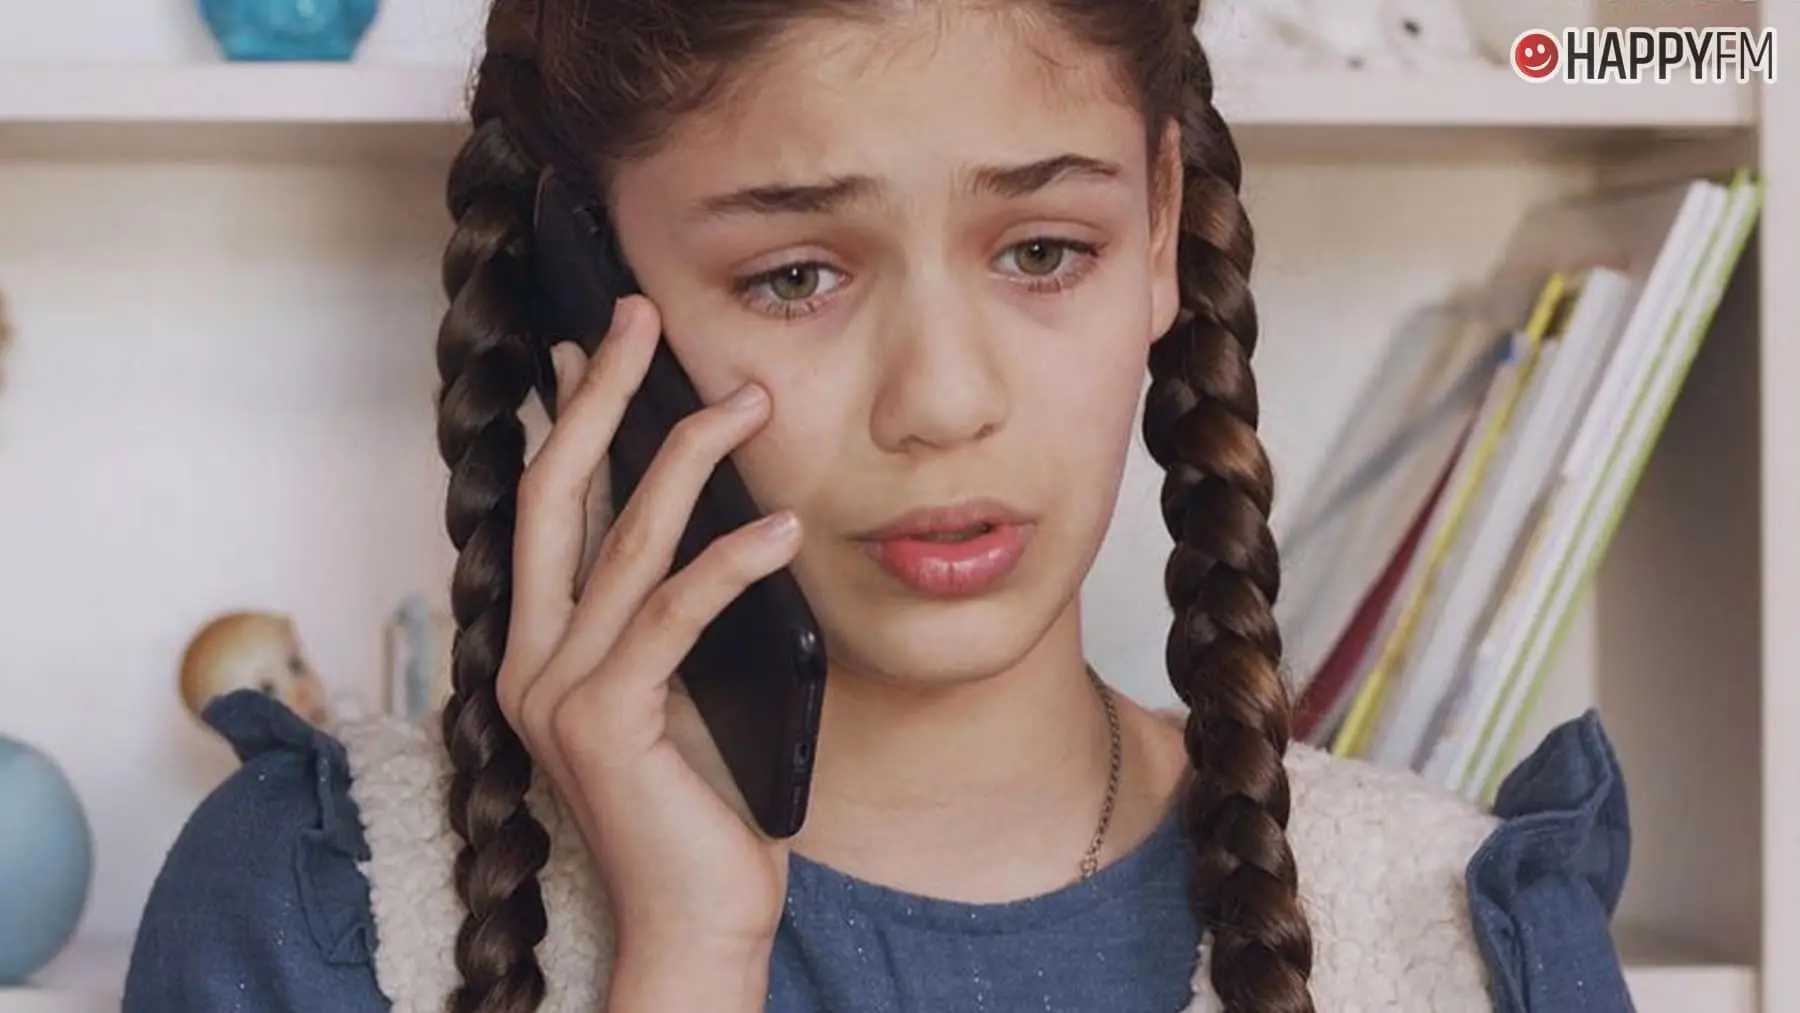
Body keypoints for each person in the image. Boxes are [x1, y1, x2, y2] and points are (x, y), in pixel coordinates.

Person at [121, 0, 1634, 1010]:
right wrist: (685, 960)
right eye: (795, 276)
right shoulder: (321, 909)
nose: (943, 401)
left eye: (1042, 251)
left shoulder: (1466, 938)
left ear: (1164, 229)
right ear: (585, 296)